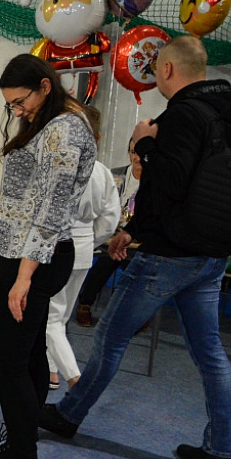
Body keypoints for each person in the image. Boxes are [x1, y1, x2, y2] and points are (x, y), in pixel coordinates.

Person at [40, 35, 231, 459]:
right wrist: (131, 231)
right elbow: (192, 191)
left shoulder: (180, 118)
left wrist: (145, 143)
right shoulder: (229, 117)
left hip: (169, 257)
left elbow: (165, 186)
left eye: (156, 70)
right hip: (211, 258)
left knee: (111, 339)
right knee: (211, 353)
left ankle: (68, 417)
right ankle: (221, 449)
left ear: (168, 70)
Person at [0, 54, 96, 459]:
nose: (16, 111)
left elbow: (52, 208)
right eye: (10, 106)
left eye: (20, 101)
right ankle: (17, 446)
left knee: (8, 364)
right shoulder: (50, 120)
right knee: (25, 359)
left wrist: (21, 274)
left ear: (45, 87)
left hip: (35, 260)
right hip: (21, 257)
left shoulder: (64, 129)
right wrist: (3, 258)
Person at [45, 106, 120, 391]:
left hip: (55, 247)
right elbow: (109, 222)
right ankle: (51, 371)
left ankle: (76, 379)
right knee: (60, 316)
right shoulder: (102, 172)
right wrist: (90, 240)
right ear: (97, 136)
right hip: (84, 248)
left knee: (51, 317)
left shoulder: (59, 166)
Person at [74, 138, 143, 327]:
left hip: (139, 239)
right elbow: (100, 206)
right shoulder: (116, 175)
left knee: (135, 263)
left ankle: (137, 314)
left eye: (141, 154)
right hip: (111, 234)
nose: (136, 158)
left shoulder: (156, 182)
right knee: (106, 259)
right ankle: (85, 305)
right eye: (132, 152)